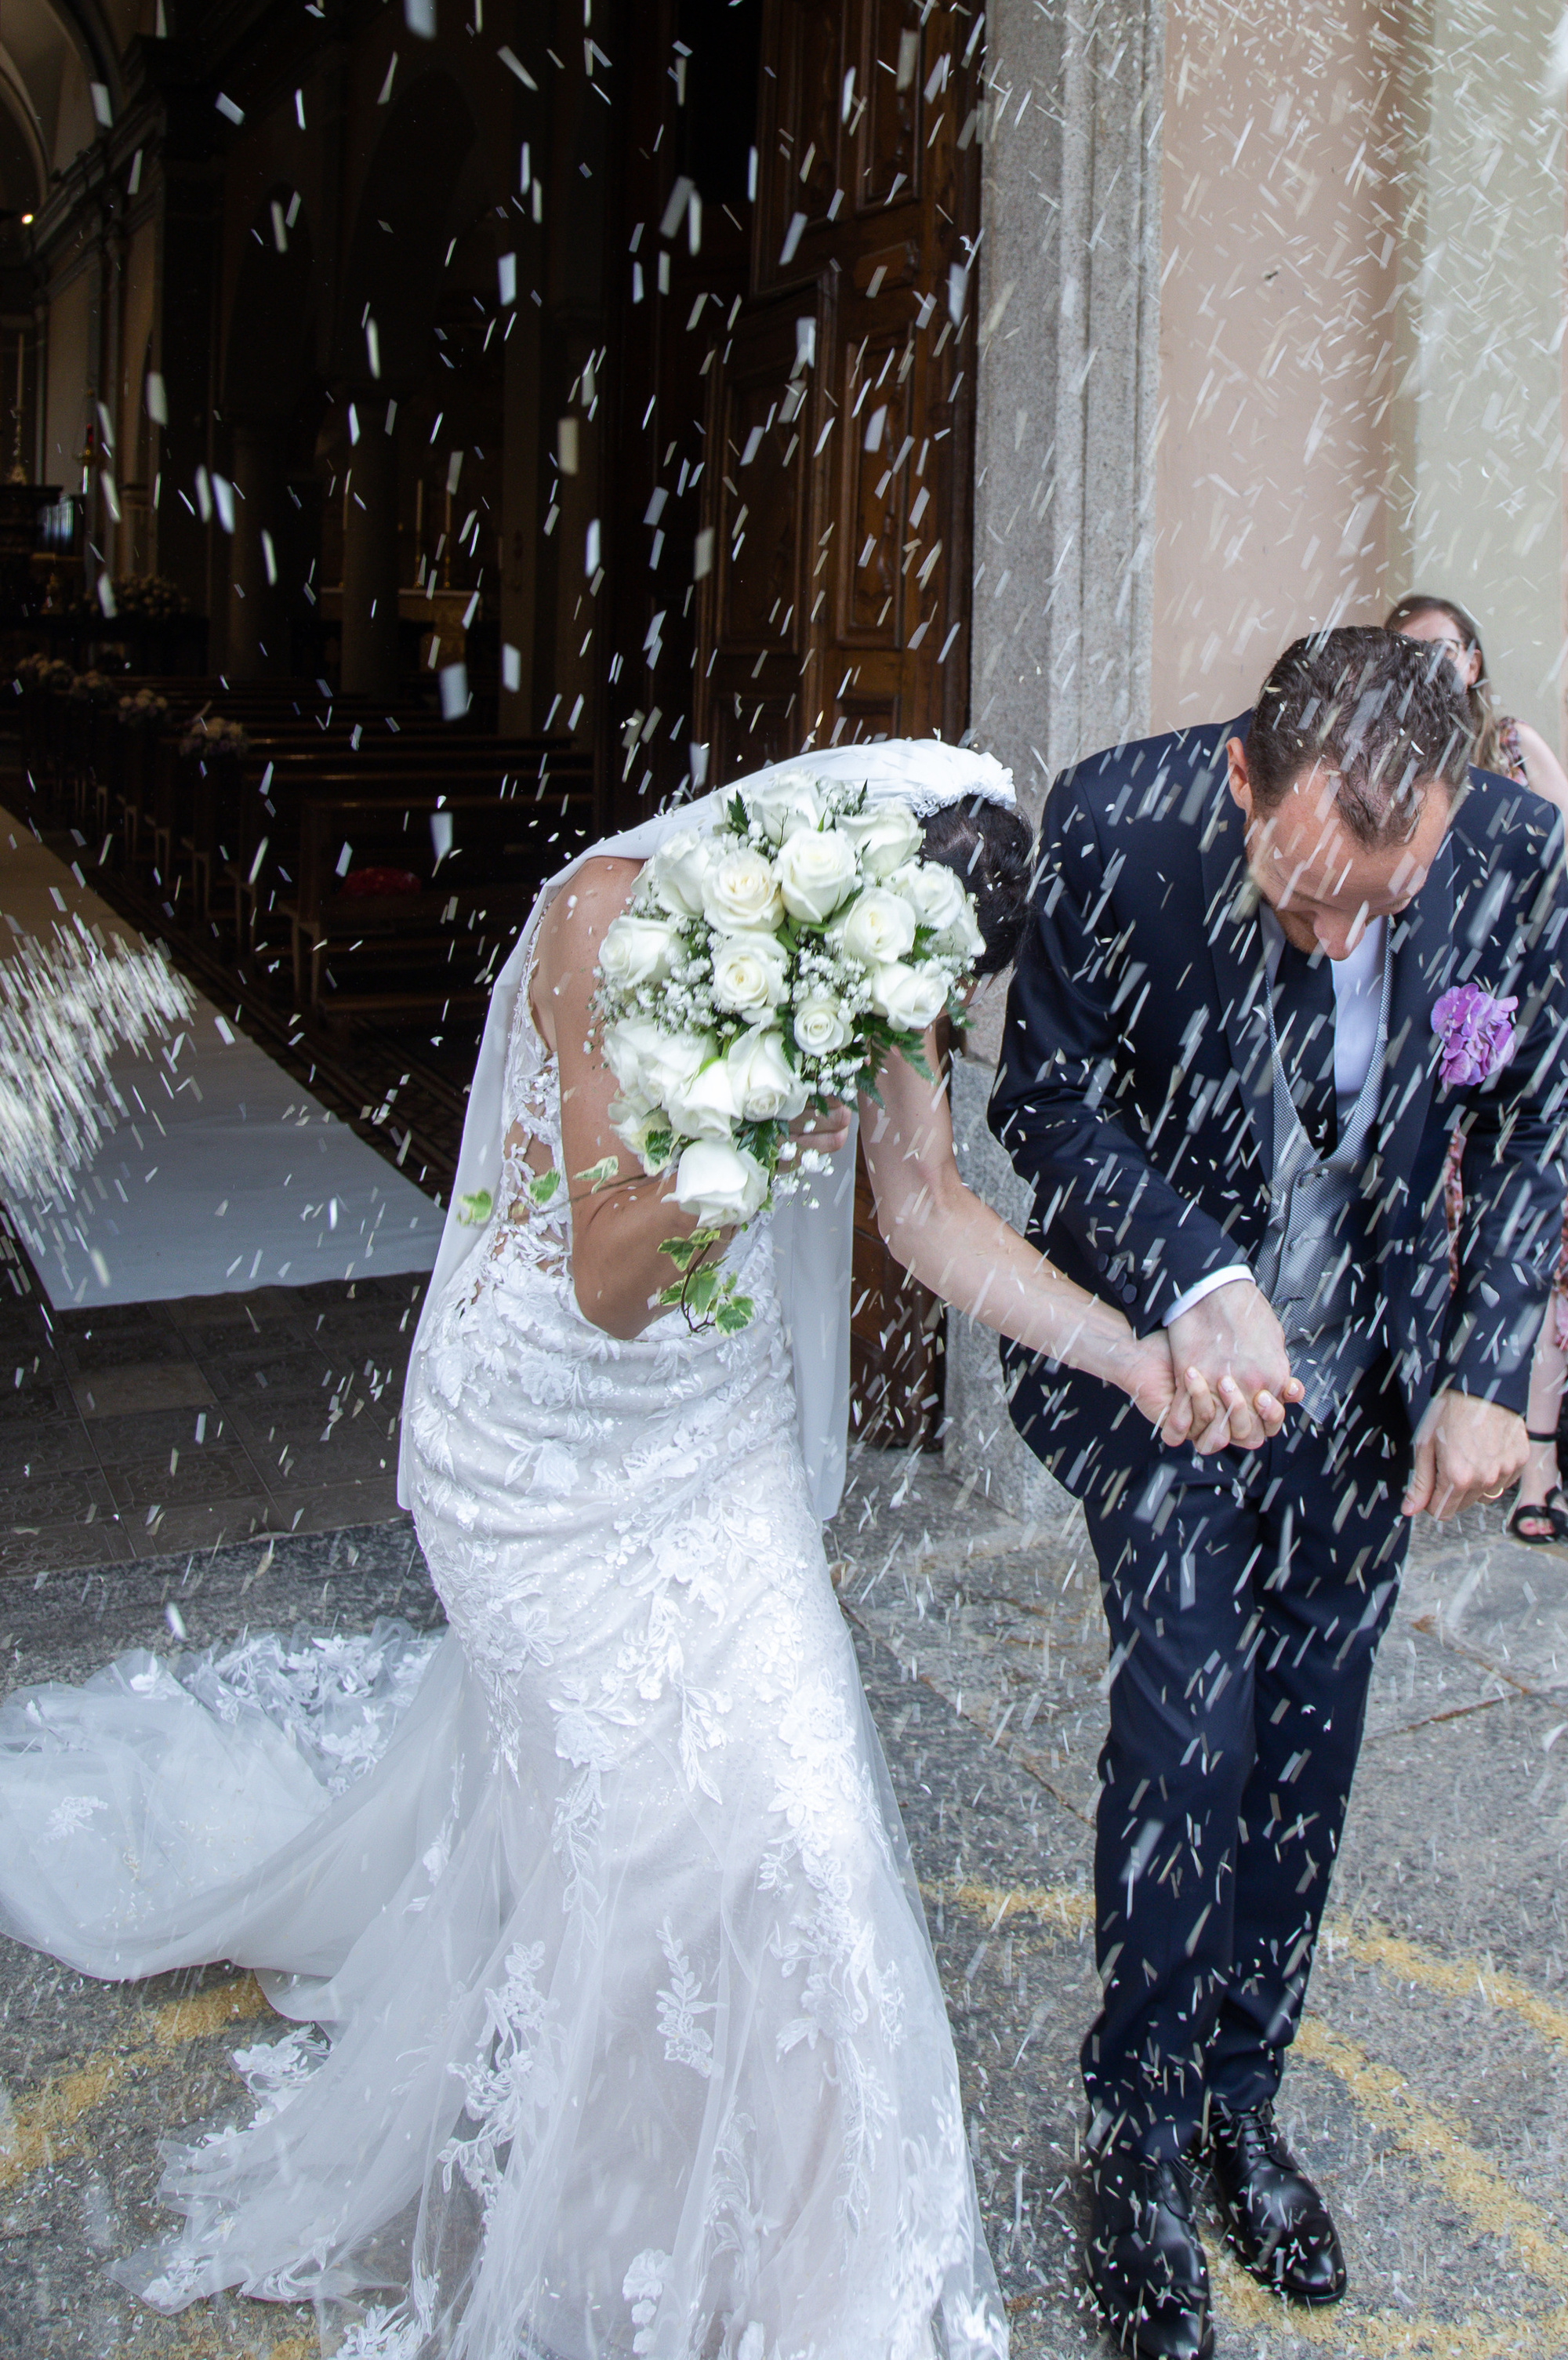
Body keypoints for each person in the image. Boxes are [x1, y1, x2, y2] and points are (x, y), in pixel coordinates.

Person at [0, 740, 1250, 2360]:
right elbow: (608, 1268)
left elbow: (927, 1208)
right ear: (817, 873)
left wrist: (1131, 1351)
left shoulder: (884, 964)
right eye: (895, 977)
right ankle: (610, 2256)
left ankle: (832, 2296)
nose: (907, 1022)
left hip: (703, 1437)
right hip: (528, 1449)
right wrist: (761, 1128)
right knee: (642, 1864)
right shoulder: (606, 917)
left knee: (800, 1834)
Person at [991, 631, 1568, 2359]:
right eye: (1302, 894)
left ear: (1449, 811)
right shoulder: (1113, 818)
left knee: (1306, 1741)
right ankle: (1140, 2142)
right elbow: (1045, 1099)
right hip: (1163, 1377)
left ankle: (1244, 2102)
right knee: (1189, 1733)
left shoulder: (1508, 850)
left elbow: (1529, 1115)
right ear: (1245, 778)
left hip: (1368, 1381)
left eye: (1372, 909)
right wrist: (1189, 1271)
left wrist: (1487, 1364)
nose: (1335, 940)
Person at [1388, 592, 1568, 1542]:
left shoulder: (1512, 744)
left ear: (1473, 661)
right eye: (1404, 654)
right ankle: (1436, 1437)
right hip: (1426, 1043)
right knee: (1441, 1252)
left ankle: (1541, 1460)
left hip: (1504, 1028)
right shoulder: (1389, 754)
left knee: (1537, 1244)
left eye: (1441, 651)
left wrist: (1503, 919)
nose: (1428, 669)